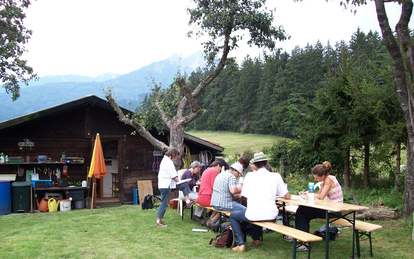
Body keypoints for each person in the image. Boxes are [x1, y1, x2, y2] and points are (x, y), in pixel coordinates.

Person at [230, 152, 291, 252]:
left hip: (253, 214)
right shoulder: (275, 176)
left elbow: (244, 195)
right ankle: (256, 239)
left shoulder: (249, 176)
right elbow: (286, 196)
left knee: (234, 215)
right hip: (271, 214)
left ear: (255, 164)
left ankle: (241, 244)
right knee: (257, 211)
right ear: (266, 162)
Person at [286, 161, 343, 251]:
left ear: (322, 176)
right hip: (328, 208)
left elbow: (321, 197)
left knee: (302, 211)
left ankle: (304, 241)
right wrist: (307, 193)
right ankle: (300, 238)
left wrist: (309, 195)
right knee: (301, 211)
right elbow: (318, 194)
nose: (315, 179)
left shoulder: (329, 180)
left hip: (334, 211)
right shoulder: (325, 180)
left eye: (316, 178)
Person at [155, 148, 196, 227]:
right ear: (172, 155)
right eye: (176, 156)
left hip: (169, 185)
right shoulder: (168, 162)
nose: (175, 158)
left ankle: (187, 201)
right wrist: (179, 180)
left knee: (184, 185)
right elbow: (173, 176)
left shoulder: (165, 160)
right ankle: (158, 221)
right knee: (164, 203)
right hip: (166, 186)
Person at [197, 159, 229, 230]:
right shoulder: (213, 171)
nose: (219, 171)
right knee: (223, 204)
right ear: (217, 166)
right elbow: (214, 186)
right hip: (206, 198)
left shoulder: (206, 170)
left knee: (218, 203)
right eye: (220, 169)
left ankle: (211, 220)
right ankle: (212, 221)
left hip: (201, 197)